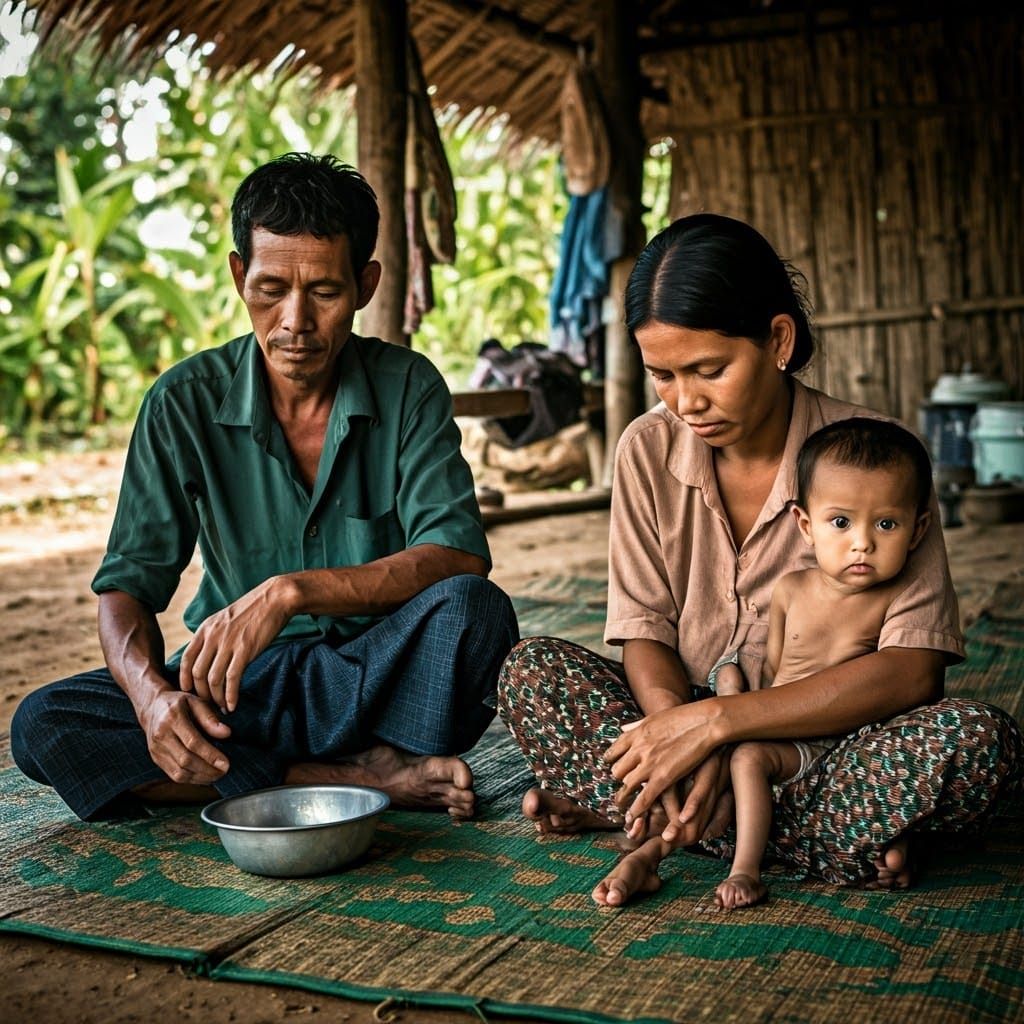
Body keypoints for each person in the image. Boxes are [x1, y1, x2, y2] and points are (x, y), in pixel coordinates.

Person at [497, 213, 1021, 907]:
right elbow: (644, 629)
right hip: (685, 717)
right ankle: (805, 838)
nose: (686, 401)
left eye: (710, 370)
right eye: (662, 375)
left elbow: (912, 669)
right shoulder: (645, 450)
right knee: (532, 671)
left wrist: (720, 725)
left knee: (980, 742)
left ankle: (674, 822)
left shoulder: (877, 455)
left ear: (778, 340)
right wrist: (672, 733)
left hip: (825, 750)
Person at [12, 153, 519, 822]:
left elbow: (457, 556)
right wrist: (151, 700)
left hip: (376, 680)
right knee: (44, 726)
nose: (295, 321)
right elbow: (127, 588)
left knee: (474, 612)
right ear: (237, 274)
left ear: (365, 285)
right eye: (271, 287)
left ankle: (339, 765)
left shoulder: (409, 387)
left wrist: (291, 591)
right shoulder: (182, 403)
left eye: (325, 293)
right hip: (239, 691)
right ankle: (351, 778)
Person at [712, 417, 935, 910]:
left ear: (917, 530)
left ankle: (745, 863)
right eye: (841, 522)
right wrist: (732, 695)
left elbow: (910, 697)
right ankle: (843, 844)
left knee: (976, 733)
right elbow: (771, 673)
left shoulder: (899, 597)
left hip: (853, 753)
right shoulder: (791, 588)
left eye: (886, 524)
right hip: (782, 736)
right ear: (805, 525)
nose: (862, 542)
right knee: (729, 750)